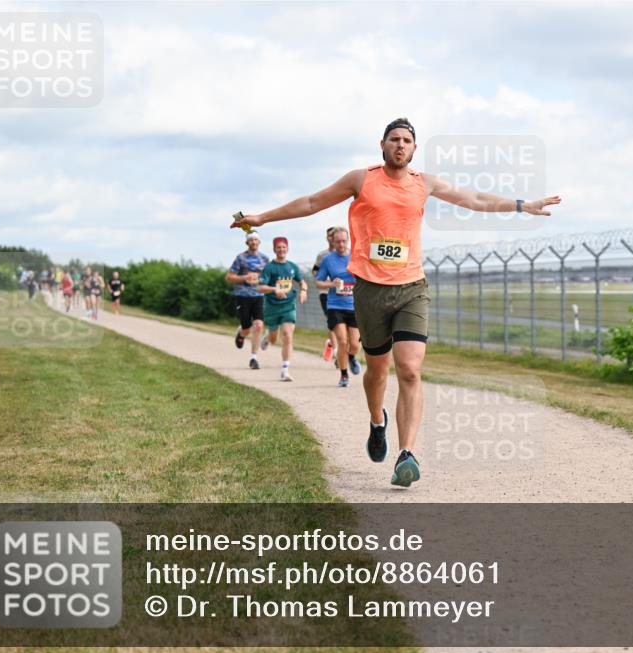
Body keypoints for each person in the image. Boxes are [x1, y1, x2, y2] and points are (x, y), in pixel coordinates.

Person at [232, 117, 561, 487]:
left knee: (409, 369)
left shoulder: (425, 184)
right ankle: (377, 422)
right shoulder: (361, 179)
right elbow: (312, 202)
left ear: (415, 148)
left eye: (407, 140)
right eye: (394, 139)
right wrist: (262, 216)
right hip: (370, 289)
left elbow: (474, 198)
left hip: (412, 288)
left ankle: (406, 454)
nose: (400, 145)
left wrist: (522, 205)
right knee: (376, 371)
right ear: (382, 145)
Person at [315, 228, 362, 387]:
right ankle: (343, 375)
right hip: (335, 305)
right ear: (333, 242)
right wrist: (331, 284)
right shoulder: (328, 260)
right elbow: (319, 282)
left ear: (348, 240)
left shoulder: (356, 256)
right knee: (342, 341)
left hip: (354, 304)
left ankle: (351, 357)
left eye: (344, 241)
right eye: (338, 241)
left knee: (354, 344)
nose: (341, 244)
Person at [256, 236, 307, 381]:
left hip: (288, 305)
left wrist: (303, 291)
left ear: (287, 249)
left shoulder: (292, 267)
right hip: (272, 307)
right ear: (274, 250)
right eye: (278, 247)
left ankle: (285, 370)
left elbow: (302, 282)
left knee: (287, 335)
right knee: (274, 339)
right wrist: (274, 290)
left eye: (284, 247)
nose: (281, 250)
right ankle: (267, 338)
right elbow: (260, 287)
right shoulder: (269, 268)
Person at [226, 232, 270, 369]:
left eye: (256, 240)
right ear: (247, 243)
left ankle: (253, 358)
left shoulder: (265, 259)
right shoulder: (241, 258)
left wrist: (262, 280)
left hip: (258, 296)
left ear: (259, 242)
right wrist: (245, 277)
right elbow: (229, 277)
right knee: (247, 328)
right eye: (251, 240)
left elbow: (268, 277)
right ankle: (241, 333)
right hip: (242, 296)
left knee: (258, 325)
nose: (254, 242)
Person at [312, 226, 340, 364]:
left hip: (343, 293)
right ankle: (336, 352)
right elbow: (315, 272)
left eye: (333, 235)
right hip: (326, 292)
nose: (332, 238)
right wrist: (325, 278)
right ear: (327, 238)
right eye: (329, 235)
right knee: (332, 321)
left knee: (343, 323)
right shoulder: (322, 255)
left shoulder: (346, 254)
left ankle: (331, 343)